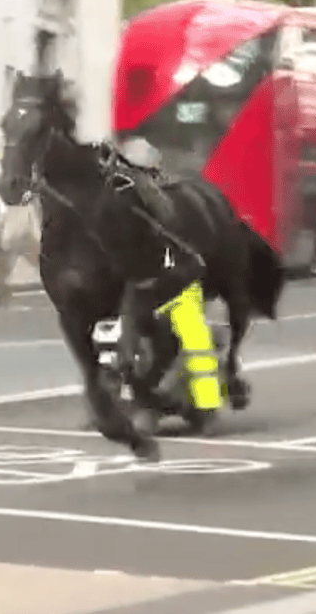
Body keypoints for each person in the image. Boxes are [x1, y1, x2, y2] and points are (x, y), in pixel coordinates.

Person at [113, 138, 223, 420]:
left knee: (196, 340)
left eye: (134, 171)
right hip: (142, 286)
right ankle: (128, 401)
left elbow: (182, 234)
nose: (128, 176)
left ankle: (207, 406)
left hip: (179, 283)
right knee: (124, 346)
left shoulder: (169, 199)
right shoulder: (120, 199)